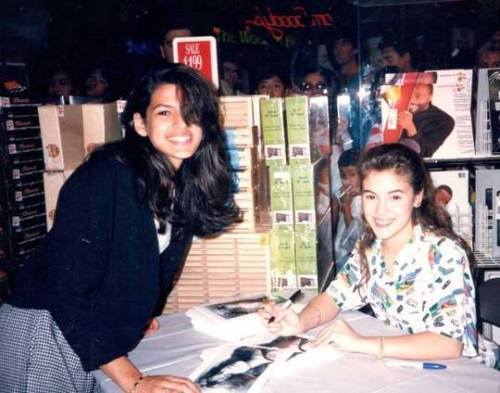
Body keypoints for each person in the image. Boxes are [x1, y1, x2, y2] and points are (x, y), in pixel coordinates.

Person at [0, 64, 241, 393]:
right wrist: (136, 381)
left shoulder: (182, 184)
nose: (181, 125)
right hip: (47, 328)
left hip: (87, 330)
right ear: (140, 123)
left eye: (192, 113)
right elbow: (65, 288)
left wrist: (137, 311)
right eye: (165, 113)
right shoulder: (107, 175)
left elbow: (140, 265)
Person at [262, 143, 477, 361]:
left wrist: (361, 343)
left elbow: (448, 345)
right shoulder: (370, 247)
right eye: (371, 196)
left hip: (461, 373)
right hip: (406, 366)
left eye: (395, 197)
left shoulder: (444, 254)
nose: (381, 210)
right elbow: (334, 297)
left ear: (417, 196)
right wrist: (300, 321)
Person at [398, 83, 455, 157]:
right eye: (408, 94)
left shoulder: (444, 120)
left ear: (430, 96)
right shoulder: (395, 106)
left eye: (418, 96)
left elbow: (426, 152)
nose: (411, 100)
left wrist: (410, 128)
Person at [333, 149, 363, 273]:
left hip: (352, 257)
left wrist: (346, 206)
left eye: (352, 174)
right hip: (339, 253)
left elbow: (353, 237)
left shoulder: (364, 200)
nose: (347, 180)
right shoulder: (342, 194)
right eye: (343, 175)